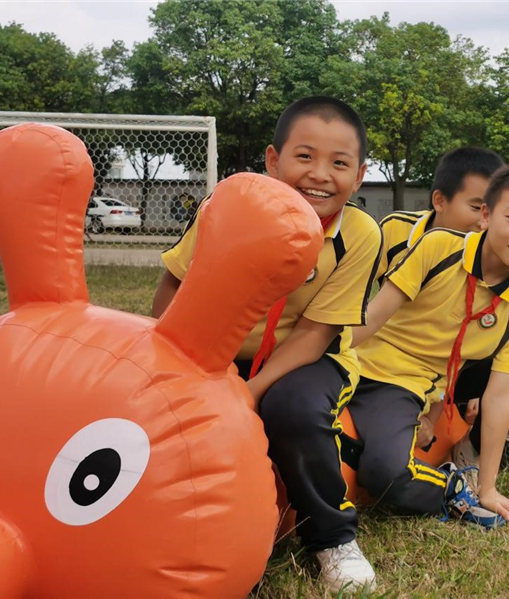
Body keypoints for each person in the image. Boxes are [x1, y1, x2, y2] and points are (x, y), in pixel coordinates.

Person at [151, 96, 382, 593]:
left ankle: (331, 538)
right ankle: (183, 530)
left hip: (309, 358)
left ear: (359, 176)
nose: (320, 174)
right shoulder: (226, 207)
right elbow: (173, 287)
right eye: (304, 156)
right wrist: (180, 367)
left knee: (293, 410)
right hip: (220, 348)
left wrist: (248, 393)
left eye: (339, 163)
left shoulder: (360, 234)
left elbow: (314, 333)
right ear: (273, 160)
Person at [349, 162, 509, 528]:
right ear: (486, 215)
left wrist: (487, 488)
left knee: (383, 473)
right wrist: (325, 357)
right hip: (355, 361)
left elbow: (499, 396)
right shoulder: (439, 247)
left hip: (404, 387)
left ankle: (450, 489)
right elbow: (373, 316)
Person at [377, 147, 504, 282]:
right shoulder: (395, 229)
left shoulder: (494, 254)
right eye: (476, 207)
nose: (485, 223)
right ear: (440, 201)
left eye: (494, 212)